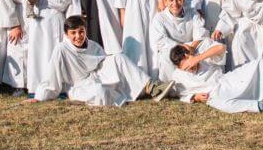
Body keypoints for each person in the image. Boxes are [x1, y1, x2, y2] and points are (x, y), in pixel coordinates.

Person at [31, 15, 174, 106]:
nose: (78, 36)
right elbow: (51, 76)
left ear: (85, 30)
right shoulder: (61, 49)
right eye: (73, 33)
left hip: (97, 76)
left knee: (119, 57)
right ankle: (132, 93)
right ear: (66, 35)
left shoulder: (93, 45)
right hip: (79, 86)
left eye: (81, 31)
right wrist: (40, 97)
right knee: (100, 91)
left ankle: (152, 88)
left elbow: (106, 64)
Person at [170, 41, 263, 113]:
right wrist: (194, 97)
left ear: (190, 55)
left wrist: (197, 58)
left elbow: (221, 48)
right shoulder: (178, 76)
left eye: (190, 62)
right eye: (186, 67)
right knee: (223, 104)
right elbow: (179, 94)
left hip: (228, 81)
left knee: (261, 64)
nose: (191, 67)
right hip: (214, 94)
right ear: (178, 67)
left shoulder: (202, 57)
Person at [20, 0, 76, 97]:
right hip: (37, 23)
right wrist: (30, 2)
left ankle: (58, 89)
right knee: (38, 55)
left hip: (54, 22)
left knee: (53, 54)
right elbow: (25, 1)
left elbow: (66, 0)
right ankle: (36, 88)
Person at [149, 0, 209, 82]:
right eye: (171, 0)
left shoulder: (193, 13)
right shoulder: (159, 18)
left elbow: (200, 32)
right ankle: (172, 85)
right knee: (166, 55)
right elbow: (160, 40)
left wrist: (192, 48)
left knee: (207, 45)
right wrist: (182, 47)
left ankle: (202, 82)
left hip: (192, 48)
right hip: (174, 49)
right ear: (165, 1)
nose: (175, 4)